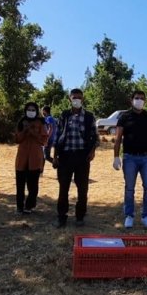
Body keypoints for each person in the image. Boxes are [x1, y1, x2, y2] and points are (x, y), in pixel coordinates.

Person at [113, 90, 147, 229]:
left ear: (145, 101)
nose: (139, 100)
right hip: (130, 157)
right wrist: (116, 156)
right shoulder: (124, 116)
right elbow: (118, 138)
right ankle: (129, 216)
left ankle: (146, 216)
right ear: (131, 100)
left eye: (142, 98)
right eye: (137, 98)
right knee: (129, 188)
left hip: (146, 157)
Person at [53, 88, 98, 228]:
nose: (76, 100)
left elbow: (95, 137)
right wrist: (55, 155)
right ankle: (61, 217)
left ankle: (80, 217)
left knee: (83, 188)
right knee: (63, 187)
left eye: (79, 97)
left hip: (82, 157)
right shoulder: (64, 115)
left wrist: (92, 151)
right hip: (65, 156)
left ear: (83, 99)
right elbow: (57, 136)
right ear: (69, 99)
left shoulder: (89, 116)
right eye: (74, 97)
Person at [15, 101, 49, 215]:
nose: (31, 112)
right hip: (22, 158)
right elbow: (17, 139)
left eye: (33, 110)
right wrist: (25, 131)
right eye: (28, 110)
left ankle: (29, 206)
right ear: (25, 111)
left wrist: (34, 132)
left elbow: (44, 141)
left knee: (33, 185)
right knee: (20, 184)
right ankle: (19, 207)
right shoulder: (21, 122)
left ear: (36, 111)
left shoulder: (41, 123)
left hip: (35, 158)